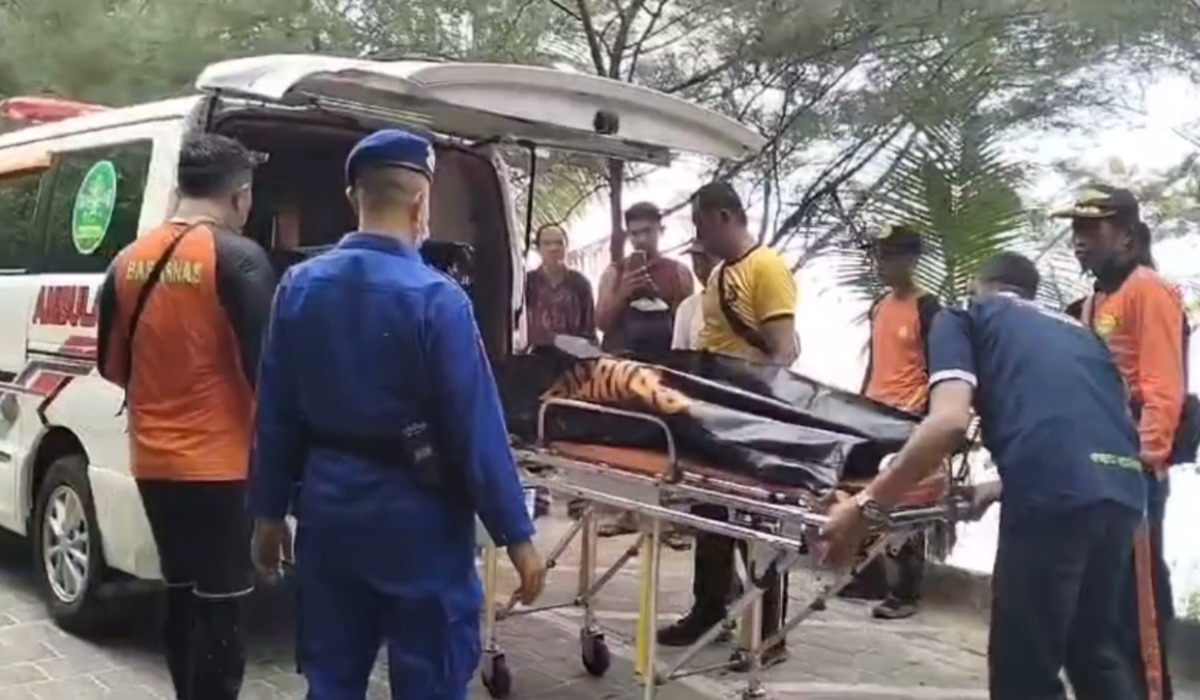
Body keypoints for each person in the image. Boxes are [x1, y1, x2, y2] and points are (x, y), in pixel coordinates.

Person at [248, 128, 547, 700]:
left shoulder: (299, 288)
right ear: (421, 203)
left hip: (330, 510)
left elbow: (276, 415)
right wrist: (517, 535)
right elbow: (476, 431)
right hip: (421, 521)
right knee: (429, 680)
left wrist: (266, 513)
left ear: (353, 198)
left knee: (331, 678)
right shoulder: (438, 300)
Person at [821, 252, 1146, 700]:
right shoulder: (1083, 335)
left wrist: (866, 508)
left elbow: (948, 422)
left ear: (978, 286)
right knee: (1094, 652)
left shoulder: (966, 316)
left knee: (1023, 673)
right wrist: (997, 487)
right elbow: (1091, 432)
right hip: (1123, 490)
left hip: (1051, 495)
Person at [95, 133, 276, 700]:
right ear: (240, 197)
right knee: (222, 604)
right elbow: (269, 374)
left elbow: (110, 365)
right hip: (222, 466)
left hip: (154, 460)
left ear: (181, 188)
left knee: (180, 591)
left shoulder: (127, 261)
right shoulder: (238, 258)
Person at [657, 182, 797, 665]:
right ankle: (709, 608)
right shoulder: (718, 277)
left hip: (752, 416)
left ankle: (770, 634)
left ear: (722, 217)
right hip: (714, 411)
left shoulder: (767, 268)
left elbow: (783, 350)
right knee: (711, 514)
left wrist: (766, 422)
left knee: (756, 525)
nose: (698, 236)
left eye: (700, 225)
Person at [1055, 185, 1186, 700]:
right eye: (1076, 230)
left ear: (1127, 234)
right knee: (1099, 615)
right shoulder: (1089, 303)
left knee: (1139, 619)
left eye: (1093, 228)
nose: (1080, 240)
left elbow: (1162, 388)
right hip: (1094, 475)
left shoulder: (1149, 289)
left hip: (1134, 477)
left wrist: (1145, 461)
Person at [854, 224, 942, 620]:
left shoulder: (929, 309)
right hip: (875, 411)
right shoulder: (880, 306)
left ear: (910, 259)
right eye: (878, 256)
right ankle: (869, 576)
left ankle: (906, 591)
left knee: (909, 501)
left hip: (910, 416)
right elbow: (875, 360)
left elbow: (939, 369)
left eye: (888, 257)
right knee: (870, 494)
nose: (881, 265)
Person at [596, 202, 694, 356]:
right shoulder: (614, 273)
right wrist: (623, 292)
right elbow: (602, 324)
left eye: (648, 231)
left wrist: (657, 297)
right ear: (628, 235)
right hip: (621, 364)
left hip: (664, 363)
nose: (641, 239)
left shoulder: (679, 273)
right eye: (635, 234)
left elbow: (685, 327)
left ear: (660, 231)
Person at [526, 222, 596, 347]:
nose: (554, 248)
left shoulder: (580, 284)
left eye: (559, 243)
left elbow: (590, 329)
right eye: (547, 243)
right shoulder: (528, 283)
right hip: (535, 357)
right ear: (538, 249)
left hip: (573, 357)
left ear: (566, 247)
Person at [671, 239, 717, 350]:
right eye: (696, 264)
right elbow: (680, 356)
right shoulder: (688, 307)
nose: (700, 271)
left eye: (706, 262)